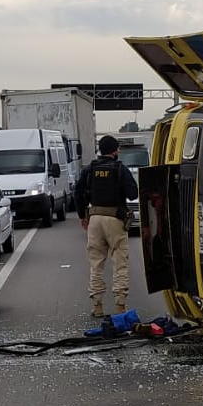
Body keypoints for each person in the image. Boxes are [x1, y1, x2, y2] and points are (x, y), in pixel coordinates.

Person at [75, 134, 139, 317]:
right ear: (114, 150)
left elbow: (78, 192)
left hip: (94, 218)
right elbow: (133, 194)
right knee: (120, 263)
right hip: (115, 219)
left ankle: (97, 306)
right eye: (117, 148)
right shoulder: (120, 169)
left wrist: (82, 216)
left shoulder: (90, 169)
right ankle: (120, 306)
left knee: (96, 264)